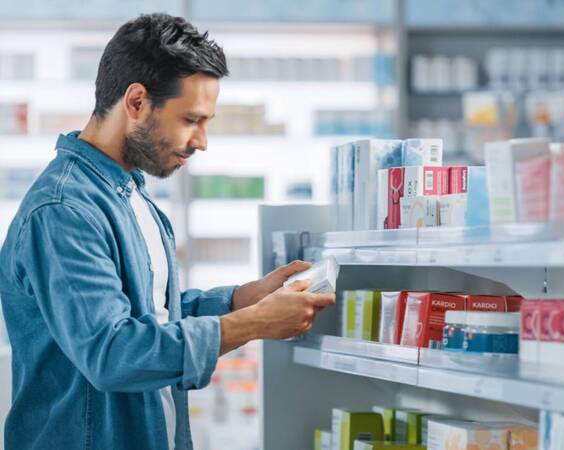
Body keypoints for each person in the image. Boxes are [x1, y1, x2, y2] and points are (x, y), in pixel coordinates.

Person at [0, 13, 335, 450]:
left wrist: (238, 301)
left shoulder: (131, 195)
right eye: (191, 120)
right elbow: (114, 353)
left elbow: (151, 317)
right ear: (136, 102)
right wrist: (251, 324)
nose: (202, 141)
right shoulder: (64, 211)